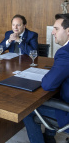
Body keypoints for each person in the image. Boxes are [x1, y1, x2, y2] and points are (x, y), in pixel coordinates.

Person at [23, 13, 69, 143]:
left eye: (56, 28)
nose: (53, 32)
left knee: (27, 109)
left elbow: (48, 84)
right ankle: (49, 137)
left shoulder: (65, 52)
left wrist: (50, 75)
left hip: (67, 111)